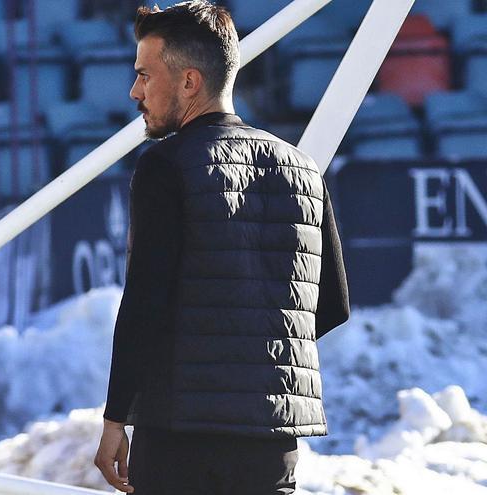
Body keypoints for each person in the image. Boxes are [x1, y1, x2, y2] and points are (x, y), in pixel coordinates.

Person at [93, 3, 350, 494]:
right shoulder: (303, 169)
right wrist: (253, 357)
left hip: (179, 436)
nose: (134, 92)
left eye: (145, 75)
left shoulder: (165, 165)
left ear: (189, 82)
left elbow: (145, 302)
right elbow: (333, 305)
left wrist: (114, 418)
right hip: (272, 440)